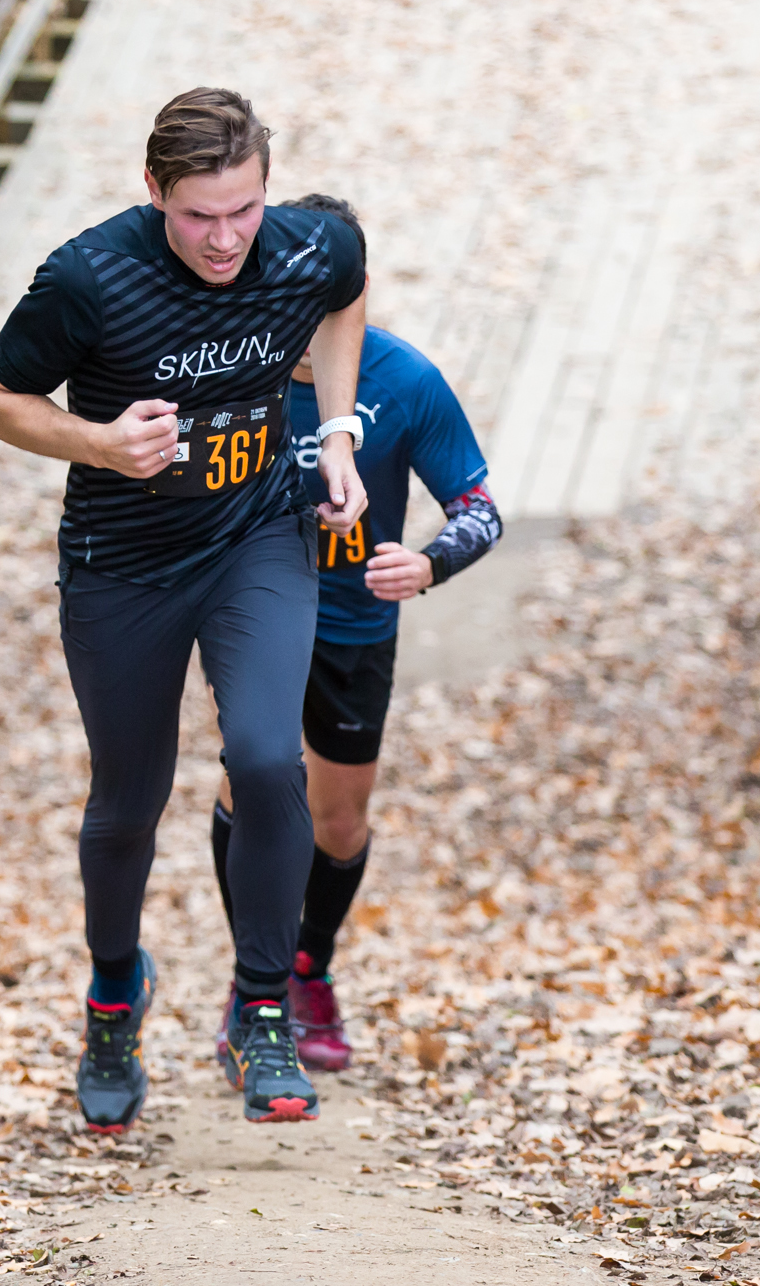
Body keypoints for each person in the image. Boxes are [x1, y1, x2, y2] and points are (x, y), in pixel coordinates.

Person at [0, 90, 370, 1130]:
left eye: (242, 209)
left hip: (256, 543)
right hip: (124, 565)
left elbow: (346, 297)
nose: (224, 238)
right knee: (126, 800)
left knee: (261, 758)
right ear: (153, 192)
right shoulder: (88, 277)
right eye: (199, 214)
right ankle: (115, 994)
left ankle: (260, 1007)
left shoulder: (303, 247)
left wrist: (337, 434)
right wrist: (101, 443)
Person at [209, 193, 503, 1073]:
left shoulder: (404, 380)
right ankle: (253, 985)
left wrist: (428, 562)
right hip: (255, 616)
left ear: (356, 290)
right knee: (256, 784)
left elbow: (480, 506)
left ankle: (308, 967)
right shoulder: (226, 369)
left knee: (337, 821)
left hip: (353, 626)